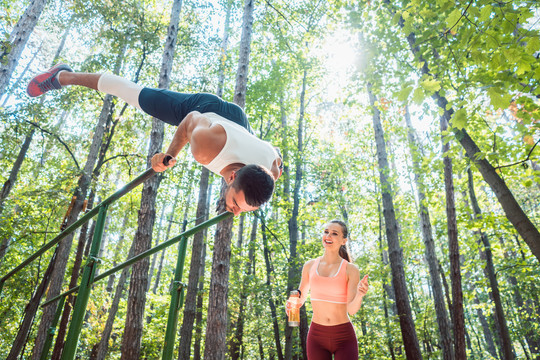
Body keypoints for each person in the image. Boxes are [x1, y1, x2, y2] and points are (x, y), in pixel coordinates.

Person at [27, 64, 283, 215]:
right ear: (230, 178)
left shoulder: (271, 168)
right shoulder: (206, 149)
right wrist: (169, 154)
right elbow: (191, 119)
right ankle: (62, 76)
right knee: (135, 94)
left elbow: (277, 160)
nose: (236, 212)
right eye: (237, 204)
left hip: (238, 123)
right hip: (204, 111)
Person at [285, 220, 369, 360]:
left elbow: (352, 310)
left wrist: (360, 295)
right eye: (326, 232)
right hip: (316, 337)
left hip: (344, 337)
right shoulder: (309, 266)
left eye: (334, 233)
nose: (328, 236)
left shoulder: (351, 269)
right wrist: (292, 303)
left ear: (343, 240)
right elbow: (300, 296)